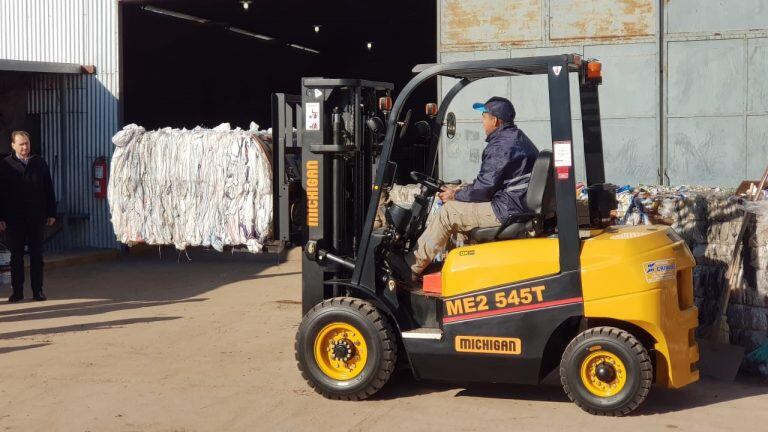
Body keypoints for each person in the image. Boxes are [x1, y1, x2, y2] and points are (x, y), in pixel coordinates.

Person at [395, 97, 539, 281]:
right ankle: (458, 270)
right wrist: (458, 190)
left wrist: (455, 195)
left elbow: (484, 189)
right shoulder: (515, 138)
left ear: (495, 120)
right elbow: (489, 182)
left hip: (506, 209)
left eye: (484, 118)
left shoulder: (501, 146)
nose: (482, 122)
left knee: (448, 213)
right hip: (515, 203)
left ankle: (411, 268)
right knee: (459, 200)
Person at [0, 131, 57, 303]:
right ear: (13, 145)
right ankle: (17, 292)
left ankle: (38, 291)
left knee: (37, 256)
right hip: (14, 220)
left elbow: (48, 189)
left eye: (27, 143)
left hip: (36, 217)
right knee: (16, 257)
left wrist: (51, 212)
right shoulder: (5, 165)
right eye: (21, 144)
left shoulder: (39, 163)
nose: (25, 147)